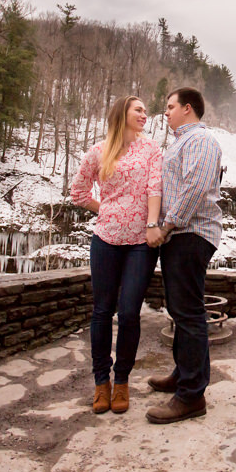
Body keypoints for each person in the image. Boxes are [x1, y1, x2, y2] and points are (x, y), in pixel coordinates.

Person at [69, 95, 162, 415]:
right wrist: (106, 210)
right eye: (138, 109)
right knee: (101, 312)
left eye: (146, 111)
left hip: (140, 243)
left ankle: (121, 381)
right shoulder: (97, 152)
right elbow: (77, 193)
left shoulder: (150, 149)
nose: (144, 114)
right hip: (105, 240)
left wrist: (151, 224)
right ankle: (100, 383)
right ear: (122, 113)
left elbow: (155, 189)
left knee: (129, 313)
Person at [145, 87, 223, 424]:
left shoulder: (201, 140)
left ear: (187, 109)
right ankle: (184, 374)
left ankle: (191, 396)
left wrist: (168, 225)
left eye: (170, 106)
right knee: (182, 310)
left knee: (188, 312)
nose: (166, 112)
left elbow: (196, 186)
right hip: (181, 234)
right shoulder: (183, 142)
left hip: (189, 234)